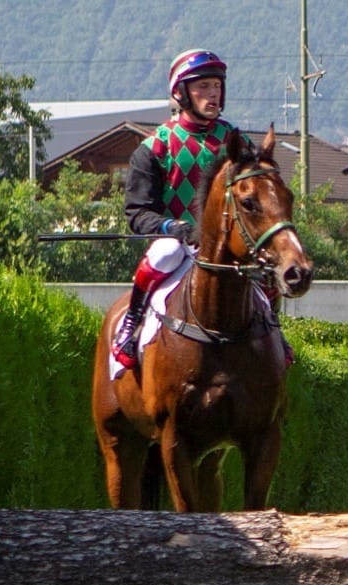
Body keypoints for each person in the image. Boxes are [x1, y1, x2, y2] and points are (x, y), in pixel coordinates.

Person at [112, 48, 268, 371]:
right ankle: (131, 324)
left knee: (263, 266)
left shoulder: (236, 143)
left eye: (216, 86)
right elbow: (137, 213)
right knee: (164, 253)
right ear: (181, 93)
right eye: (203, 87)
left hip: (225, 247)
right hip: (180, 246)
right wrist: (171, 227)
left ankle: (274, 334)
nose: (212, 94)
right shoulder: (155, 147)